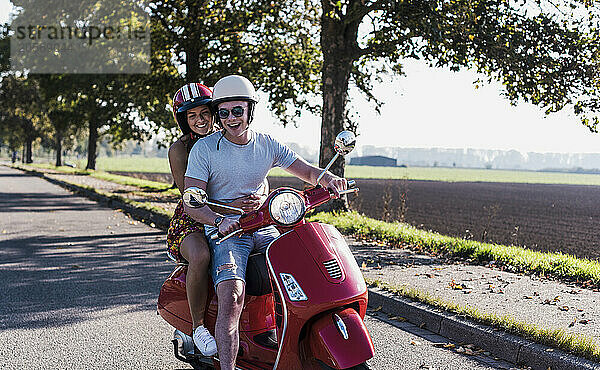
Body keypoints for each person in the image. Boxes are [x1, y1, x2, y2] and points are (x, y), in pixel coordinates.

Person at [182, 75, 348, 369]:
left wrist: (329, 178)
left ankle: (293, 344)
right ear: (218, 114)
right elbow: (191, 201)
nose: (231, 118)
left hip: (264, 225)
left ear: (250, 110)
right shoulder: (205, 149)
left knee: (302, 271)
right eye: (223, 112)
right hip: (228, 233)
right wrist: (218, 219)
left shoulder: (266, 144)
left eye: (237, 110)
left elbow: (306, 170)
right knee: (232, 296)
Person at [166, 82, 267, 356]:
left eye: (205, 113)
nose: (200, 120)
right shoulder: (180, 149)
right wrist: (228, 205)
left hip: (234, 214)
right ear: (183, 120)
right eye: (192, 116)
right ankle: (199, 327)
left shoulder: (230, 137)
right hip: (195, 216)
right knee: (200, 255)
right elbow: (190, 195)